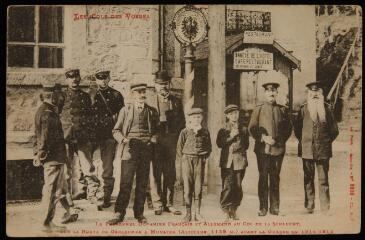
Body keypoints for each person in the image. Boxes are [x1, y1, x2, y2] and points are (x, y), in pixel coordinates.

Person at [108, 83, 159, 224]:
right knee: (125, 183)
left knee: (142, 184)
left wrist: (153, 138)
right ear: (132, 94)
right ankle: (119, 213)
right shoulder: (125, 111)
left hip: (145, 151)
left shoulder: (152, 111)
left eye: (144, 92)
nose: (142, 95)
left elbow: (156, 131)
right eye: (139, 92)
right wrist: (123, 140)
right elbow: (115, 131)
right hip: (129, 152)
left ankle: (139, 214)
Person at [33, 84, 78, 232]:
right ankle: (46, 223)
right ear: (53, 97)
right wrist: (41, 153)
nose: (62, 100)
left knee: (60, 188)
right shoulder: (48, 113)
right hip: (53, 158)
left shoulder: (44, 111)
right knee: (52, 191)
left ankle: (67, 213)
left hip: (55, 157)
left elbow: (39, 135)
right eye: (60, 97)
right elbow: (45, 137)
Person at [293, 81, 339, 214]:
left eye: (317, 91)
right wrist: (305, 141)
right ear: (309, 93)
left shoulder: (327, 108)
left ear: (321, 93)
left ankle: (325, 206)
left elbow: (334, 130)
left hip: (323, 150)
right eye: (312, 92)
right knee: (308, 177)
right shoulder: (303, 109)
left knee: (323, 178)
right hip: (307, 149)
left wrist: (326, 142)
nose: (314, 94)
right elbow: (297, 129)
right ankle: (309, 205)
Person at [248, 82, 292, 216]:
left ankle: (275, 207)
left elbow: (287, 129)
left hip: (277, 150)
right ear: (265, 93)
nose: (271, 93)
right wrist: (263, 138)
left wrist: (278, 140)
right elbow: (252, 128)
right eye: (268, 91)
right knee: (263, 178)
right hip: (262, 150)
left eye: (273, 91)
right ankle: (263, 207)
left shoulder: (282, 110)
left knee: (275, 178)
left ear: (277, 93)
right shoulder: (258, 109)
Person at [60, 68, 101, 208]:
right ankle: (67, 197)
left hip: (82, 136)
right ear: (67, 80)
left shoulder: (84, 97)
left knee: (88, 166)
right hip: (65, 136)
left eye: (77, 79)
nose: (74, 82)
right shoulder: (61, 96)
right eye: (71, 79)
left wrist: (91, 136)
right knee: (66, 169)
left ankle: (92, 194)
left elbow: (90, 117)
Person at [149, 70, 185, 216]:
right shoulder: (149, 101)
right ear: (155, 85)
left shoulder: (176, 101)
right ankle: (157, 203)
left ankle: (169, 203)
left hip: (170, 141)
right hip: (155, 141)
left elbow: (182, 122)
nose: (162, 87)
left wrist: (176, 137)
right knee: (156, 172)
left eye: (165, 84)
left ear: (168, 84)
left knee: (170, 172)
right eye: (159, 84)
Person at [90, 69, 124, 209]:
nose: (102, 81)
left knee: (107, 167)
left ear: (109, 79)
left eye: (105, 78)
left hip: (108, 136)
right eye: (99, 79)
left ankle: (106, 196)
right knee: (90, 166)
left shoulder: (116, 95)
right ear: (96, 80)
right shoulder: (91, 95)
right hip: (92, 136)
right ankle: (92, 194)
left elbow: (122, 117)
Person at [176, 108, 212, 222]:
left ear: (201, 118)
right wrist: (180, 168)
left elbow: (209, 147)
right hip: (187, 160)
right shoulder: (184, 132)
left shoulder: (205, 132)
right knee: (187, 189)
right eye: (194, 117)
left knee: (198, 188)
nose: (196, 119)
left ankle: (197, 213)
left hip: (199, 161)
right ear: (190, 119)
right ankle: (188, 214)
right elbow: (179, 150)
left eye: (198, 117)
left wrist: (204, 155)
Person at [216, 105, 249, 221]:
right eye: (231, 114)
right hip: (227, 162)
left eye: (236, 113)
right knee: (227, 186)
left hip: (240, 161)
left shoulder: (244, 129)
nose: (234, 116)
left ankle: (234, 210)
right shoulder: (223, 129)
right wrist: (231, 136)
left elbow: (247, 145)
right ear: (227, 116)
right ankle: (225, 210)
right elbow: (219, 144)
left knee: (238, 186)